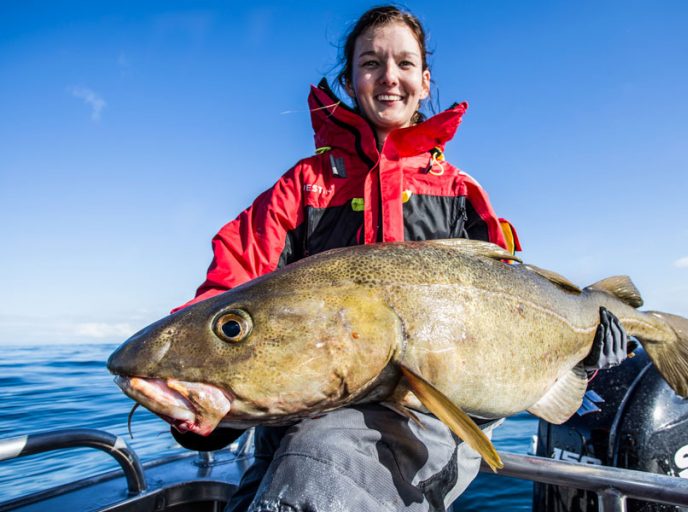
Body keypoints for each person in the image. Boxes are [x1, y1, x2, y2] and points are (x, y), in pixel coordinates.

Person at [170, 6, 628, 512]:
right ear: (349, 80)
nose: (389, 76)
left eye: (405, 63)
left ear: (425, 81)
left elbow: (516, 305)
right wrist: (201, 380)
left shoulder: (462, 193)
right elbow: (230, 290)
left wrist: (580, 350)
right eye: (370, 63)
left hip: (428, 418)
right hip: (292, 427)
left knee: (316, 477)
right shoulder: (300, 189)